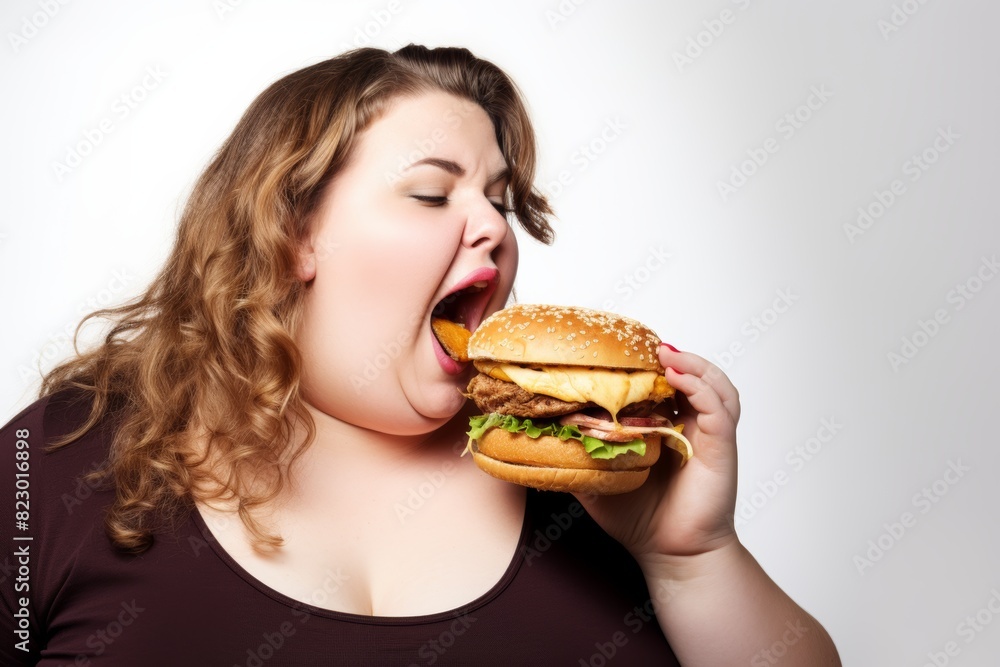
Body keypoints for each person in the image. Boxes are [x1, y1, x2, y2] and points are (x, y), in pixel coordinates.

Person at [1, 45, 841, 665]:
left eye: (500, 201)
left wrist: (690, 556)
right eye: (433, 193)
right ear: (292, 232)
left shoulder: (591, 486)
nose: (493, 228)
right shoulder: (58, 463)